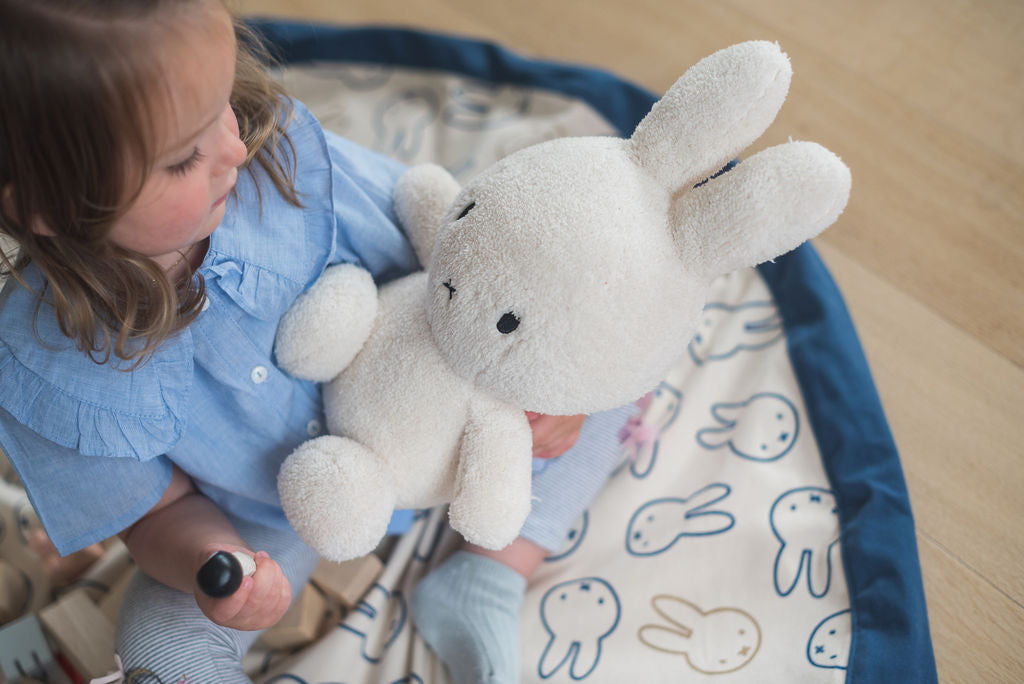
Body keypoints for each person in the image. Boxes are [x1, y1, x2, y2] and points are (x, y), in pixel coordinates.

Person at [0, 0, 632, 681]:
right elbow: (160, 514)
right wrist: (219, 567)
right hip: (274, 518)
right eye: (184, 158)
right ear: (45, 207)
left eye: (223, 105)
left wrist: (552, 389)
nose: (233, 148)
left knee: (612, 357)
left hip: (451, 412)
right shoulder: (46, 373)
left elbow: (455, 250)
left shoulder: (284, 159)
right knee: (159, 644)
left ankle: (491, 573)